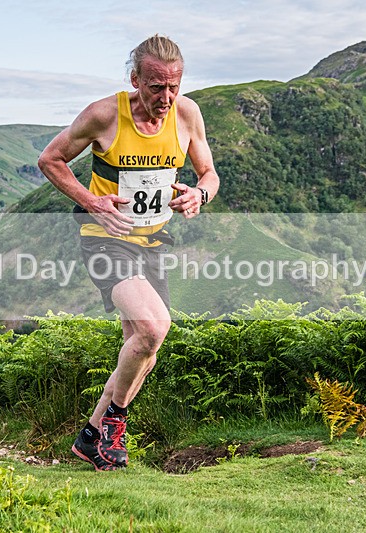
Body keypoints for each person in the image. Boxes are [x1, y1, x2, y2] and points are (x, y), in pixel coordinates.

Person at [37, 34, 219, 471]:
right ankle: (115, 423)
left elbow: (209, 174)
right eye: (156, 87)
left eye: (174, 86)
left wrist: (198, 195)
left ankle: (90, 438)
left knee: (142, 352)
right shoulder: (104, 115)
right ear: (135, 79)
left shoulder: (187, 114)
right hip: (105, 238)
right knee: (154, 328)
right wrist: (92, 201)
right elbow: (50, 160)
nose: (166, 98)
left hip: (153, 242)